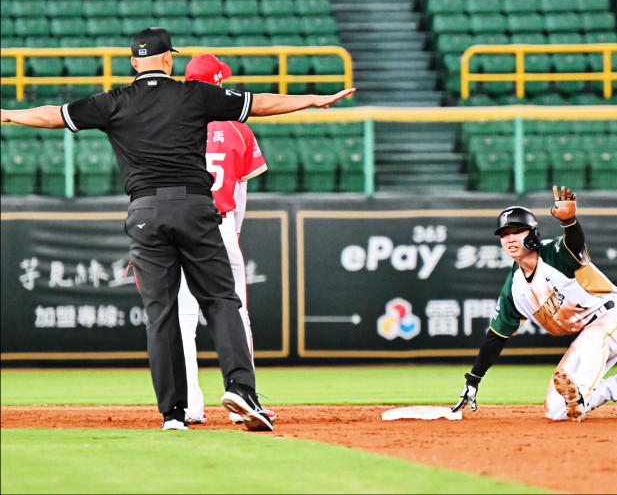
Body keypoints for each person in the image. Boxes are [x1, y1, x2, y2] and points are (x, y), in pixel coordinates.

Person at [1, 27, 355, 431]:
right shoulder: (195, 94)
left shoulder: (113, 101)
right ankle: (240, 388)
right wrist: (312, 99)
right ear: (169, 59)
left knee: (161, 314)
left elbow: (54, 114)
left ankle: (174, 413)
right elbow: (260, 104)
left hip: (145, 214)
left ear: (134, 62)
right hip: (194, 208)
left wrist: (8, 114)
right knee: (221, 299)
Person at [452, 186, 617, 422]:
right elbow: (496, 336)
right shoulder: (514, 289)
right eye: (504, 234)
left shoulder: (553, 253)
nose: (510, 238)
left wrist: (569, 221)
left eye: (517, 231)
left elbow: (575, 242)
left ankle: (580, 394)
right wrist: (473, 379)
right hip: (589, 338)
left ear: (532, 234)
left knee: (591, 343)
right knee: (556, 410)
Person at [176, 53, 272, 426]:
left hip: (178, 226)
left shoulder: (173, 123)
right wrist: (231, 232)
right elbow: (241, 198)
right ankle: (243, 397)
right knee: (235, 313)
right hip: (219, 225)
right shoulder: (237, 128)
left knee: (182, 319)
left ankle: (188, 406)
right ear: (218, 84)